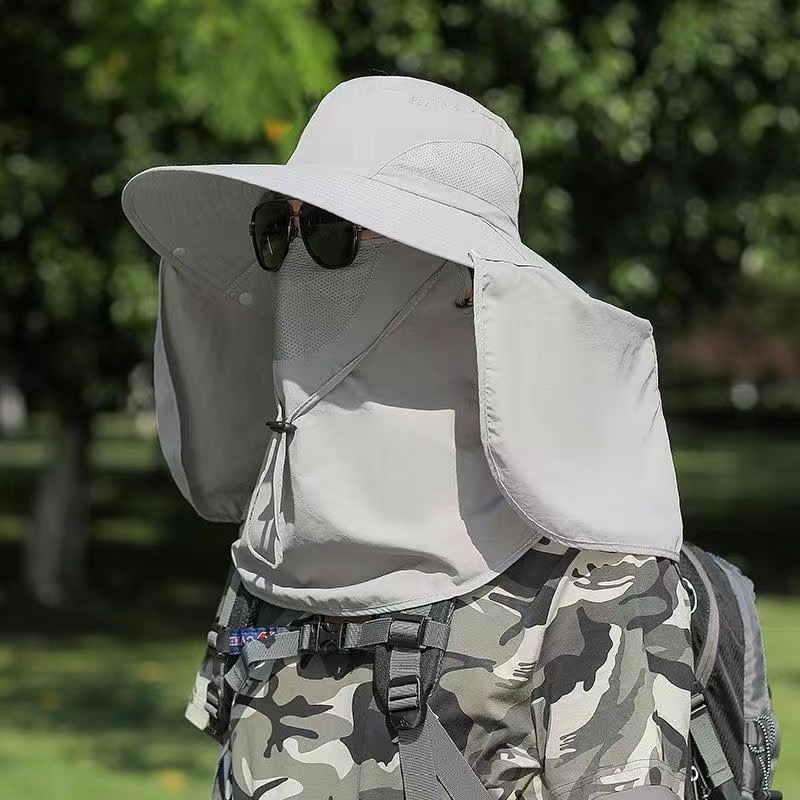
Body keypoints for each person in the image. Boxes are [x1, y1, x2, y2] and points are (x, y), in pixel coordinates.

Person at [122, 75, 692, 800]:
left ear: (463, 283)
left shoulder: (597, 570)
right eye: (278, 230)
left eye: (328, 232)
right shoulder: (275, 545)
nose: (295, 265)